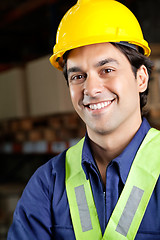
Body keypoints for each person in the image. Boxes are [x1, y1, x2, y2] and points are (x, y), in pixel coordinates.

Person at [7, 0, 160, 239]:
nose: (91, 88)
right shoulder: (47, 184)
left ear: (141, 78)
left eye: (106, 70)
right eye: (78, 76)